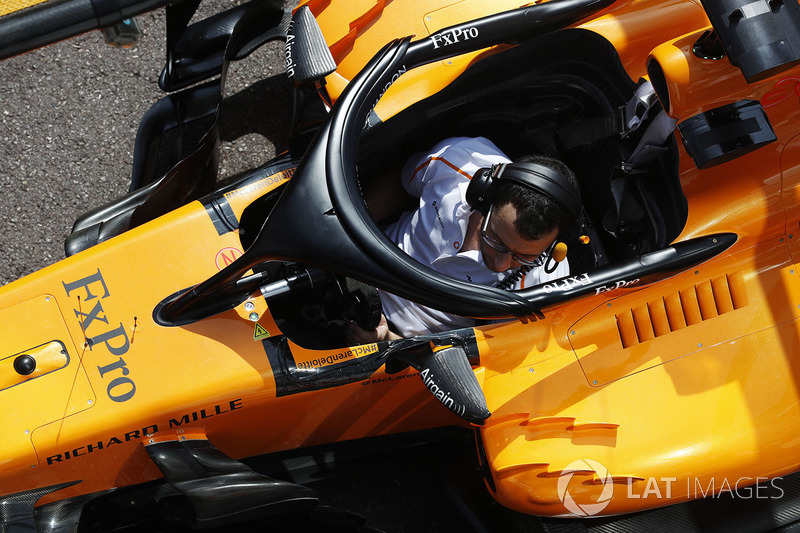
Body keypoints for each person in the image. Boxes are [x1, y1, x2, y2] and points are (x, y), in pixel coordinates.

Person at [347, 136, 579, 343]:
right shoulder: (457, 160)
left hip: (402, 345)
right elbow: (401, 182)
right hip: (356, 263)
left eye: (524, 257)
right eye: (496, 240)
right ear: (483, 196)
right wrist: (349, 229)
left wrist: (388, 339)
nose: (501, 265)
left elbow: (488, 359)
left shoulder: (546, 284)